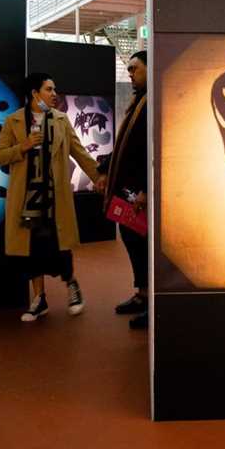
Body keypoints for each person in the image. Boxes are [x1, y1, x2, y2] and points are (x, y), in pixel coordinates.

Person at [0, 73, 105, 322]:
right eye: (49, 89)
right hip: (26, 199)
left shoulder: (61, 120)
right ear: (34, 93)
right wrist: (22, 146)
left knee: (60, 245)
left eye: (55, 89)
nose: (54, 94)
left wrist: (98, 176)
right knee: (32, 248)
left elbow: (79, 151)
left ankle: (72, 286)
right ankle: (39, 300)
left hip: (54, 197)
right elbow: (0, 156)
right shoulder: (12, 121)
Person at [98, 51, 149, 330]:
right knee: (131, 240)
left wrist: (145, 188)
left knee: (143, 246)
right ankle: (142, 294)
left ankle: (152, 301)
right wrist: (105, 169)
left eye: (134, 68)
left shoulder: (152, 104)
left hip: (140, 193)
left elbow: (153, 150)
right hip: (129, 190)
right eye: (128, 69)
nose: (130, 73)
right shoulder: (138, 103)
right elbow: (125, 146)